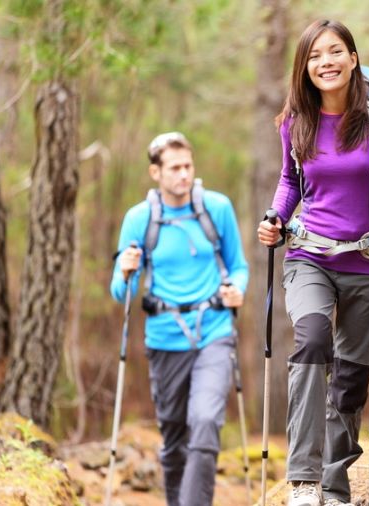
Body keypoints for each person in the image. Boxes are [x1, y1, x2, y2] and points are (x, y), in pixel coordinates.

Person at [257, 19, 369, 506]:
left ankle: (335, 483)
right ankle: (304, 481)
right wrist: (275, 217)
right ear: (304, 68)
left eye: (334, 53)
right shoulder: (295, 120)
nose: (325, 63)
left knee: (349, 378)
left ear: (352, 58)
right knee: (310, 343)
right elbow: (290, 181)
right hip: (310, 257)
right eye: (314, 56)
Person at [110, 132, 249, 506]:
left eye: (188, 166)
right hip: (164, 338)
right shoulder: (139, 219)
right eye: (174, 168)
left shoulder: (217, 208)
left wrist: (237, 288)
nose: (184, 175)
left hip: (215, 331)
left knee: (205, 422)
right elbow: (121, 294)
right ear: (155, 172)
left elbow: (238, 266)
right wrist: (124, 271)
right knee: (174, 440)